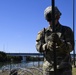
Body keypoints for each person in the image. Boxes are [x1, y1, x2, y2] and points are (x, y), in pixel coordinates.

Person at [36, 6, 74, 75]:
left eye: (52, 19)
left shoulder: (67, 30)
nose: (50, 22)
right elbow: (38, 47)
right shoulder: (43, 32)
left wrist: (60, 42)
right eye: (48, 20)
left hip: (64, 69)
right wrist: (46, 46)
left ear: (58, 17)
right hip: (49, 70)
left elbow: (70, 48)